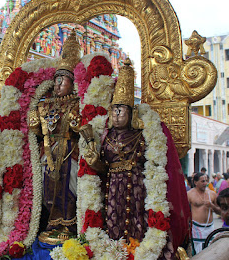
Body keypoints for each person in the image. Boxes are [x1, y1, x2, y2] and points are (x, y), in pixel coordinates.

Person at [82, 59, 190, 258]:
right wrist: (93, 161)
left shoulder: (142, 135)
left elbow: (153, 165)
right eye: (114, 110)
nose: (116, 115)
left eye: (121, 110)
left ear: (131, 113)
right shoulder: (105, 135)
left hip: (137, 187)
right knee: (112, 225)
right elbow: (102, 169)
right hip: (112, 189)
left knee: (136, 223)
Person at [29, 29, 81, 242]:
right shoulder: (44, 104)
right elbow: (36, 132)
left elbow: (81, 129)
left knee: (69, 188)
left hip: (69, 149)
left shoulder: (77, 103)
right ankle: (51, 222)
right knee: (47, 188)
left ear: (72, 83)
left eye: (64, 80)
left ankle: (69, 226)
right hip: (48, 150)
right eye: (57, 80)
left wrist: (76, 123)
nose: (59, 84)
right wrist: (33, 121)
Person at [187, 172, 221, 255]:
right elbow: (186, 212)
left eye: (206, 181)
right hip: (197, 228)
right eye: (202, 181)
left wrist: (212, 205)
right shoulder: (189, 194)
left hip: (210, 227)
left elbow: (220, 211)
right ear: (195, 182)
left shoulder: (212, 194)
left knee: (211, 251)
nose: (205, 183)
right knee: (199, 253)